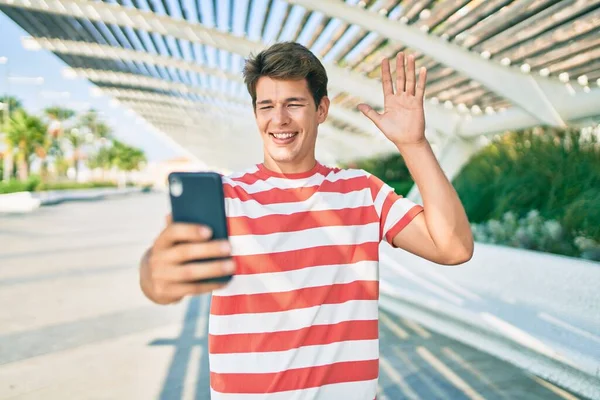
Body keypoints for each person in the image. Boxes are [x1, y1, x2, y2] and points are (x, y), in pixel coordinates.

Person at [139, 42, 473, 399]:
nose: (279, 119)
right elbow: (157, 284)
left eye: (293, 104)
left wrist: (414, 143)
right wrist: (155, 273)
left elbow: (452, 248)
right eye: (266, 106)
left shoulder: (361, 192)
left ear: (322, 109)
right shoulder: (225, 198)